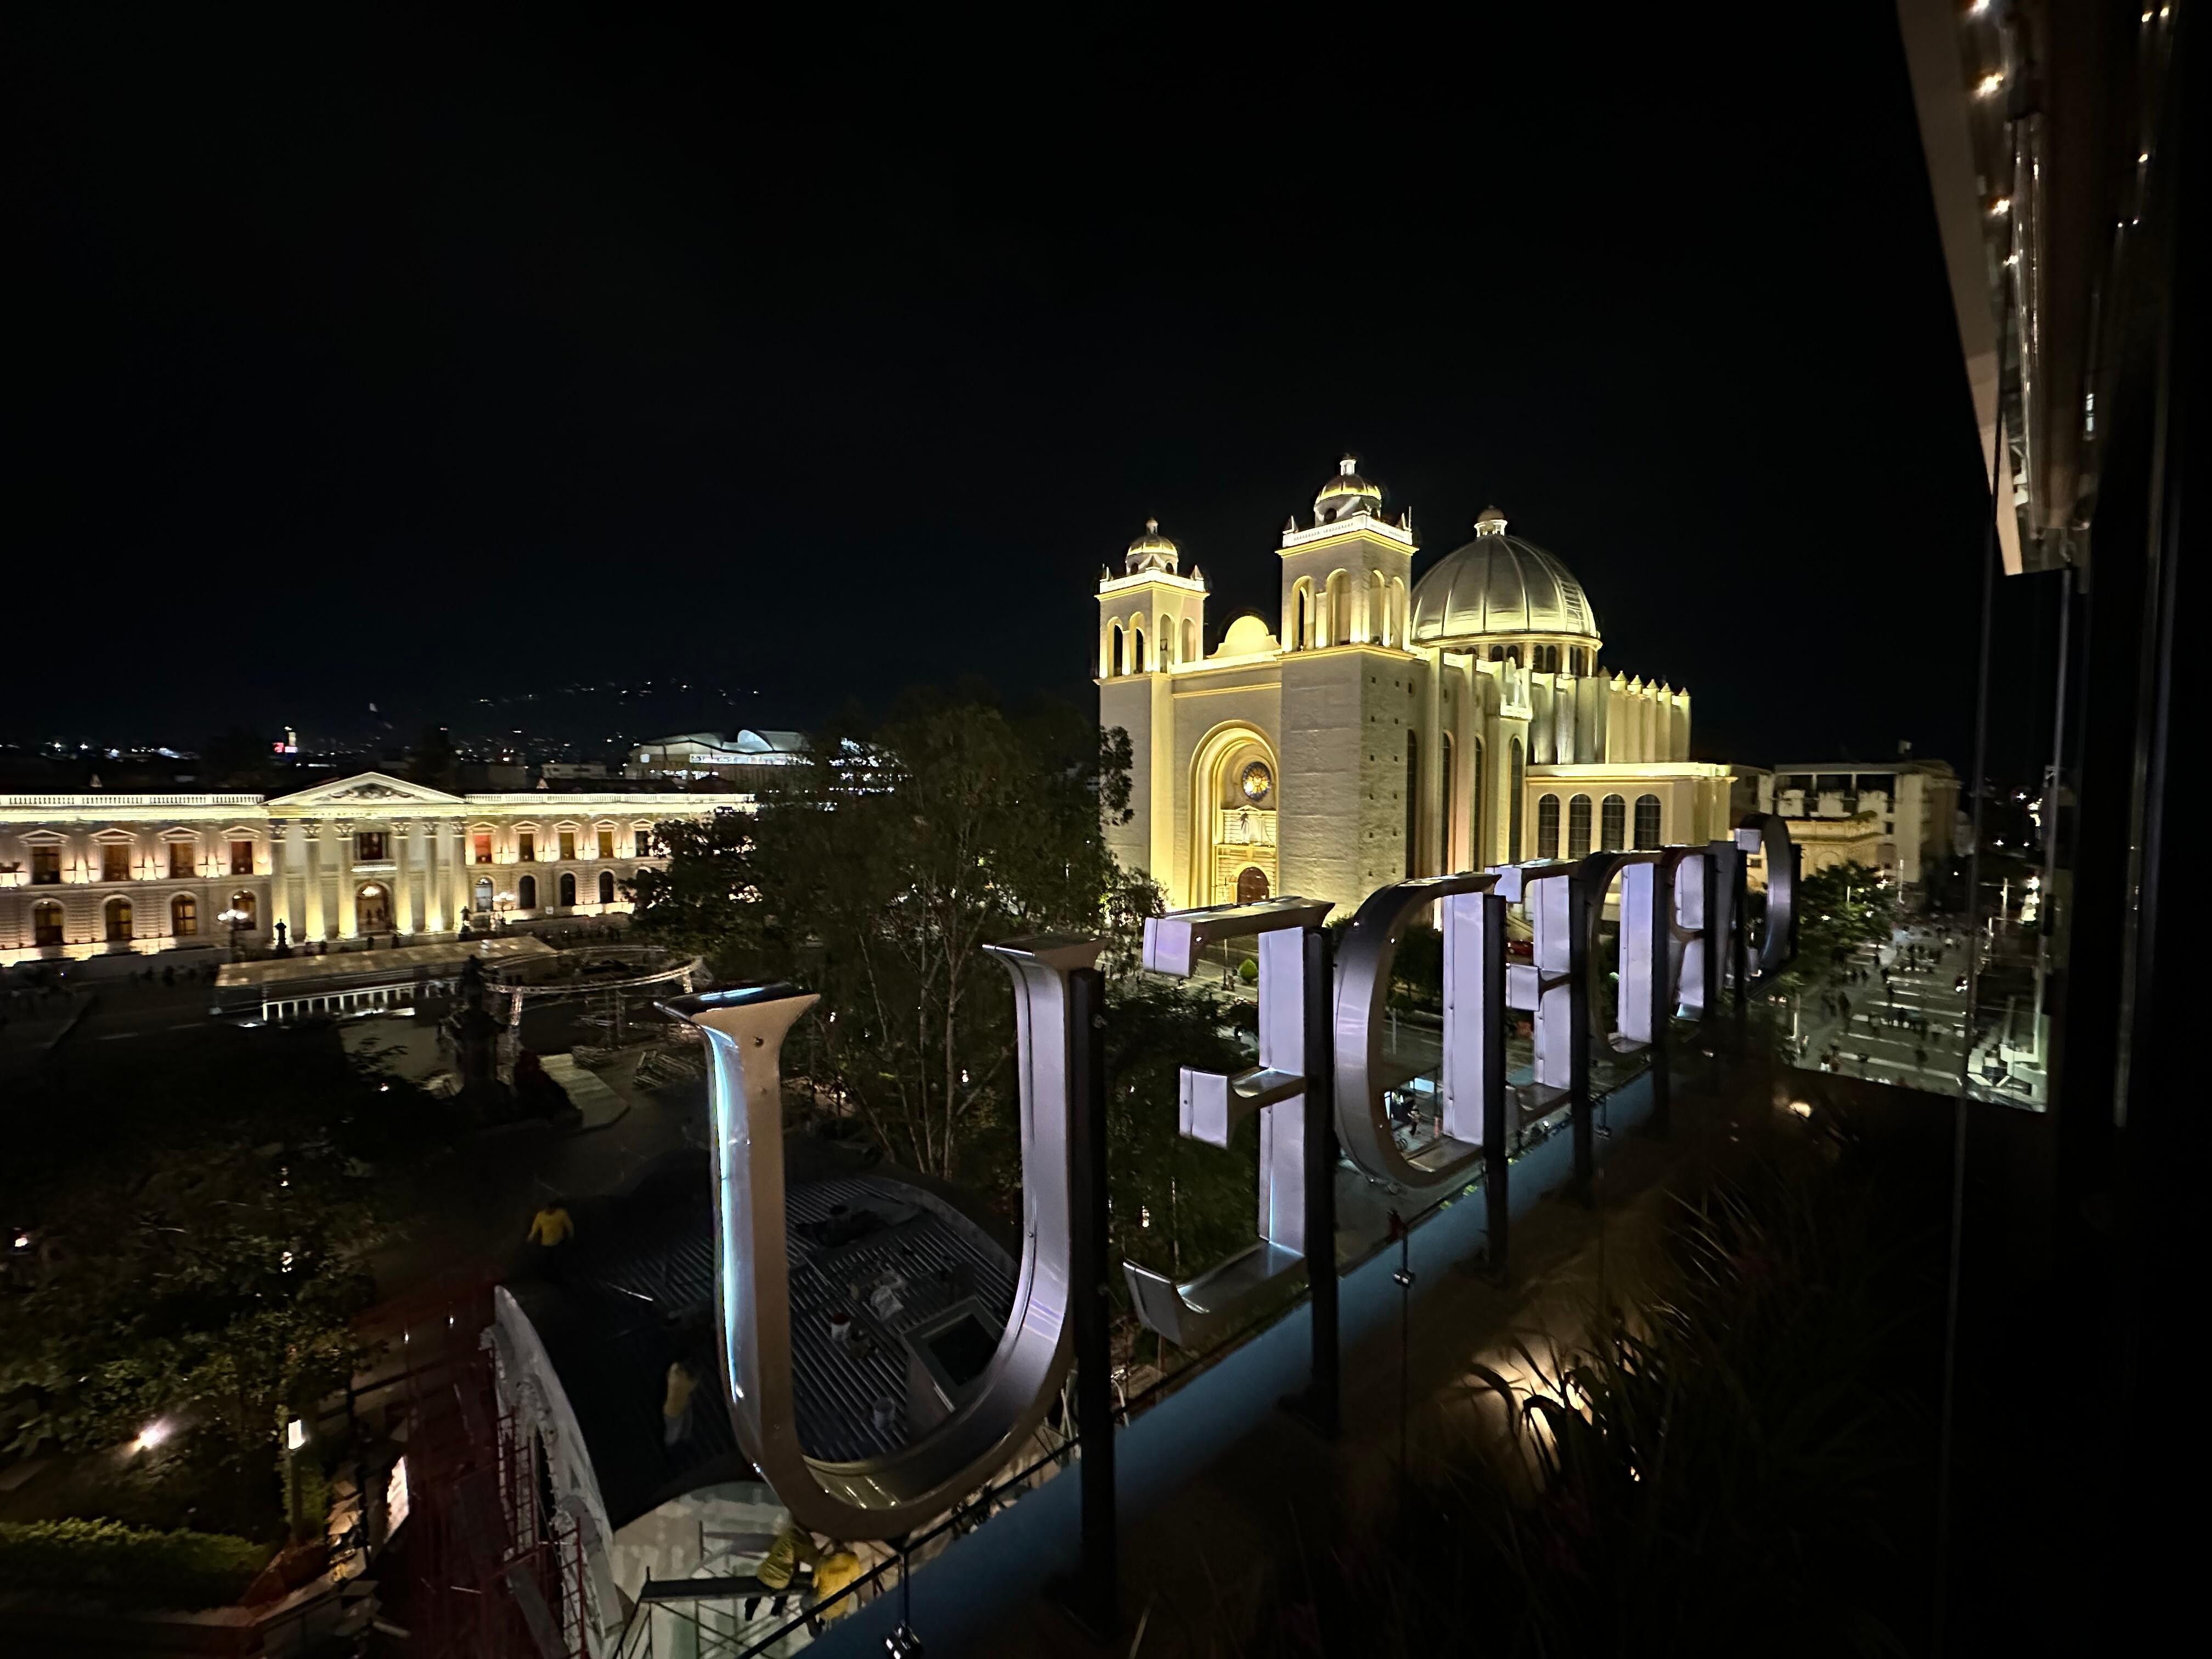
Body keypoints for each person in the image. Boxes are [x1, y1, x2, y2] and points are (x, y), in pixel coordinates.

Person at [663, 1359, 696, 1448]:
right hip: (674, 1413)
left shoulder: (674, 1369)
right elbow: (695, 1383)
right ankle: (670, 1447)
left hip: (674, 1407)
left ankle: (683, 1438)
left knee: (684, 1423)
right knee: (672, 1434)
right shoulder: (687, 1383)